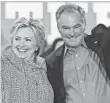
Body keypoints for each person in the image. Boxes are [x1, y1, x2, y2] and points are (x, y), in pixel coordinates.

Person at [45, 4, 110, 103]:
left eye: (76, 26)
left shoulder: (103, 41)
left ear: (84, 24)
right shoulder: (51, 63)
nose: (72, 33)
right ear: (59, 28)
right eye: (66, 28)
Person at [1, 17, 54, 103]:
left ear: (37, 45)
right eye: (17, 39)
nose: (21, 44)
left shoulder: (44, 65)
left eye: (27, 40)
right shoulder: (3, 65)